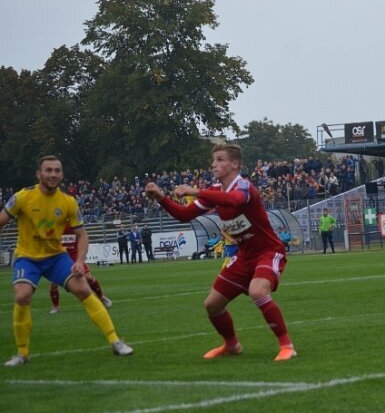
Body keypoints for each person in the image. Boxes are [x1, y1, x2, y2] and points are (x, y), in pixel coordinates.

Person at [145, 143, 296, 361]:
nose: (214, 164)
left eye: (220, 159)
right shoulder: (213, 192)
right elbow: (184, 215)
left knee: (258, 291)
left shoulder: (244, 186)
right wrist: (161, 198)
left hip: (267, 251)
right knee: (212, 304)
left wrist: (195, 190)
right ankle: (231, 345)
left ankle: (287, 346)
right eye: (214, 160)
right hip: (243, 255)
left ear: (235, 164)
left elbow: (234, 200)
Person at [1, 155, 132, 367]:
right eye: (48, 170)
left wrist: (80, 260)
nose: (53, 174)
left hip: (56, 257)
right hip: (27, 258)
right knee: (22, 296)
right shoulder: (22, 197)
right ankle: (22, 353)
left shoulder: (68, 202)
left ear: (61, 175)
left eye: (57, 171)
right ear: (39, 174)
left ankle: (115, 341)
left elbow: (82, 235)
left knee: (83, 290)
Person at [49, 224, 112, 314]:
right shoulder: (56, 225)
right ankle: (56, 307)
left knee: (88, 277)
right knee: (54, 283)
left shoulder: (73, 225)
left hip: (75, 255)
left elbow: (83, 237)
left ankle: (101, 297)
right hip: (61, 257)